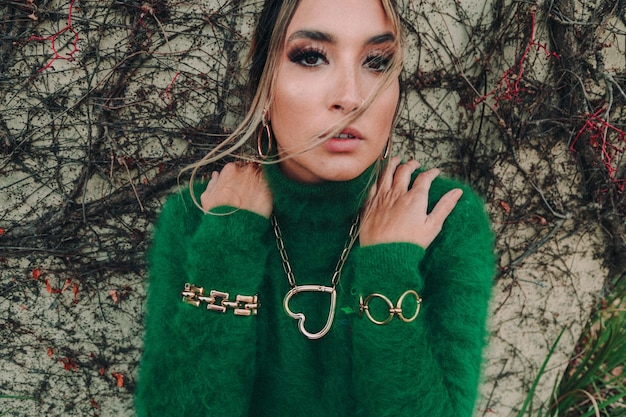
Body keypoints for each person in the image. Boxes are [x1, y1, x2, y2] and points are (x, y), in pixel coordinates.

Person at [135, 0, 495, 416]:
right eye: (311, 57)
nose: (351, 97)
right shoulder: (199, 216)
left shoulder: (442, 218)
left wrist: (390, 269)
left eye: (376, 61)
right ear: (263, 85)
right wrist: (227, 249)